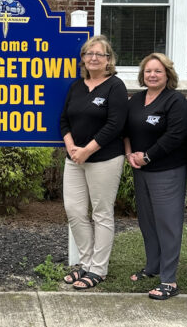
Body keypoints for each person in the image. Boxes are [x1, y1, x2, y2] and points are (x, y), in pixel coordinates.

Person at [60, 35, 128, 290]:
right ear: (83, 59)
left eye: (100, 54)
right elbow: (64, 120)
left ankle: (99, 269)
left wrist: (87, 150)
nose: (94, 58)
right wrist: (71, 148)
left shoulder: (115, 86)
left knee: (101, 213)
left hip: (104, 158)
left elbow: (115, 125)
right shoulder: (77, 86)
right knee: (75, 211)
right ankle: (86, 263)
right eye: (89, 54)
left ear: (109, 59)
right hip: (74, 158)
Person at [124, 53, 187, 300]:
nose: (152, 75)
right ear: (142, 75)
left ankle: (169, 280)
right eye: (148, 71)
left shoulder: (175, 102)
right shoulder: (136, 100)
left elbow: (175, 136)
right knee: (148, 221)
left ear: (168, 75)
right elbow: (126, 130)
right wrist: (130, 154)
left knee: (167, 224)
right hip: (140, 170)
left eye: (158, 71)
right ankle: (152, 267)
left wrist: (148, 156)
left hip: (167, 171)